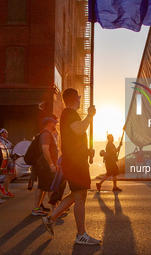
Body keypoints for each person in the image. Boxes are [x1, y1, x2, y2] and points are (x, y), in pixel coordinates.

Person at [42, 88, 100, 245]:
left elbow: (74, 139)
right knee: (80, 196)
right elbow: (79, 129)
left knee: (78, 195)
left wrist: (87, 150)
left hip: (75, 160)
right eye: (79, 97)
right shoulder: (69, 113)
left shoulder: (69, 114)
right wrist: (90, 115)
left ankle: (50, 218)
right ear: (76, 98)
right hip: (75, 163)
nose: (80, 100)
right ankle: (81, 234)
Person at [31, 116, 59, 216]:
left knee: (41, 187)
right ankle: (56, 210)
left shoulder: (47, 134)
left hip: (43, 165)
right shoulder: (46, 134)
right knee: (51, 187)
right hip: (45, 166)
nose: (55, 124)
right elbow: (45, 149)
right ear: (49, 124)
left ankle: (36, 208)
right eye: (54, 123)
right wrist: (51, 164)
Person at [0, 128, 16, 197]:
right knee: (9, 174)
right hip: (8, 159)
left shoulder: (6, 141)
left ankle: (2, 186)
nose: (5, 134)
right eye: (3, 132)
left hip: (11, 159)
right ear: (0, 134)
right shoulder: (0, 141)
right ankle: (6, 191)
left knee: (14, 174)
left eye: (6, 132)